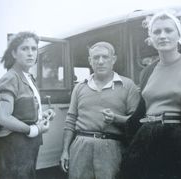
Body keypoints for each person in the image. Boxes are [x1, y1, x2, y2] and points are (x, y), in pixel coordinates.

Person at [121, 10, 181, 179]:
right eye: (157, 32)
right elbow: (140, 112)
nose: (162, 36)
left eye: (168, 30)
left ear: (179, 34)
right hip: (147, 139)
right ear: (151, 38)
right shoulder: (147, 71)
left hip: (179, 141)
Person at [60, 41, 140, 179]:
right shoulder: (80, 87)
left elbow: (136, 122)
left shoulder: (128, 85)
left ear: (113, 59)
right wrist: (65, 151)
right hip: (80, 147)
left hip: (112, 149)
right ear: (90, 61)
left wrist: (116, 119)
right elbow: (70, 121)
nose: (100, 61)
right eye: (96, 58)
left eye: (105, 57)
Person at [0, 31, 55, 179]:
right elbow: (3, 117)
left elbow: (21, 109)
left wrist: (41, 115)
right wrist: (32, 129)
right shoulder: (11, 78)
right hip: (13, 148)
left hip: (27, 147)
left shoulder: (27, 77)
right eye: (24, 48)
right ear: (14, 53)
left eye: (34, 49)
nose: (30, 53)